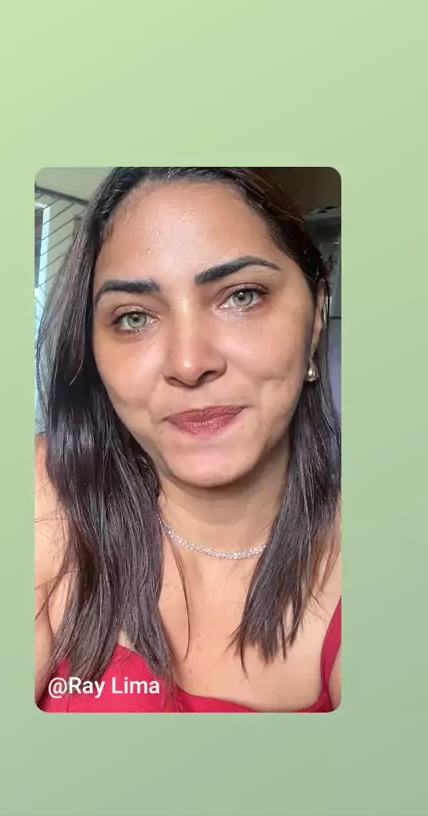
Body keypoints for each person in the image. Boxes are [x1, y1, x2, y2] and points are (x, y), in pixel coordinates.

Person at [35, 167, 341, 713]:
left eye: (241, 296)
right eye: (134, 318)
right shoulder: (44, 495)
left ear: (317, 312)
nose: (189, 363)